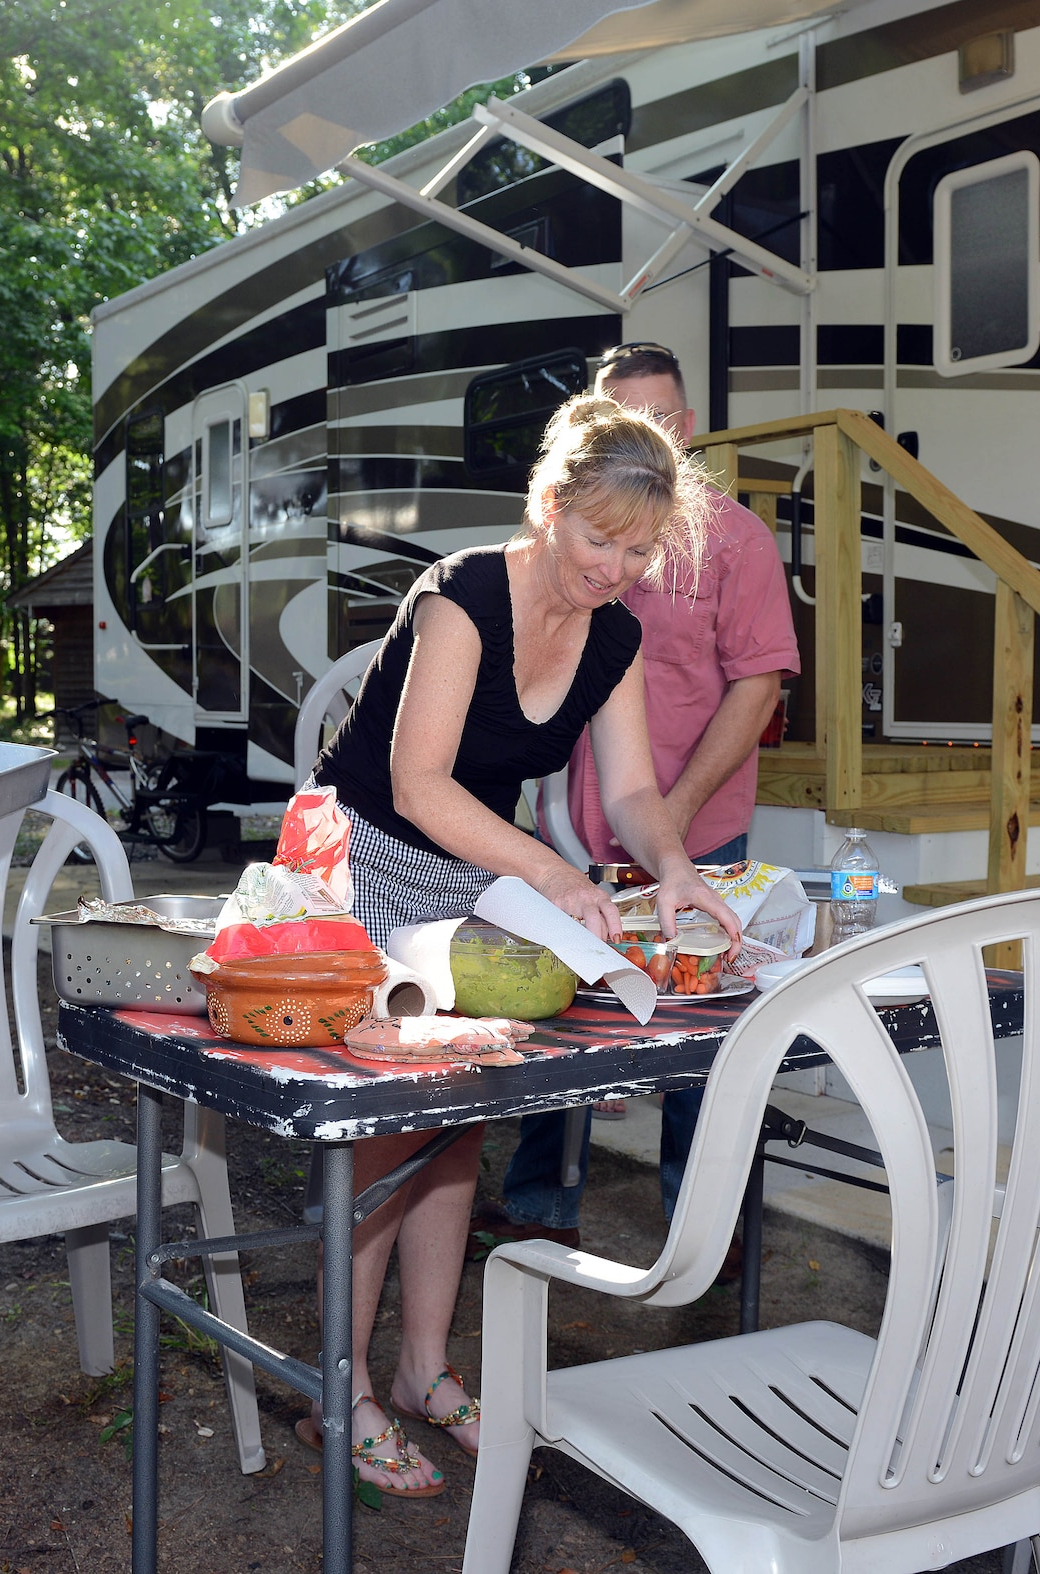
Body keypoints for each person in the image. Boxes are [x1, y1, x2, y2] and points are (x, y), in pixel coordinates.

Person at [301, 393, 741, 1498]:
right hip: (357, 857)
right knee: (384, 1127)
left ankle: (420, 1370)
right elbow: (414, 783)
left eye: (639, 551)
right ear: (547, 507)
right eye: (599, 538)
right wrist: (548, 871)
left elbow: (633, 787)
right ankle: (336, 1386)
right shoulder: (461, 593)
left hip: (468, 868)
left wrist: (674, 866)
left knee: (457, 1122)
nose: (614, 566)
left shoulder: (615, 633)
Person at [484, 341, 801, 1254]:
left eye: (661, 421)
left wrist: (680, 814)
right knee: (560, 1014)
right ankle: (540, 1204)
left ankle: (705, 1229)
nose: (646, 441)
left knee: (706, 1037)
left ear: (689, 430)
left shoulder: (735, 538)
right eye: (626, 419)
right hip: (567, 826)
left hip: (691, 824)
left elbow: (758, 683)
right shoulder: (555, 542)